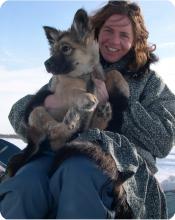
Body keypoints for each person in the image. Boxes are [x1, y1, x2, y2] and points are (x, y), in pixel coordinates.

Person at [0, 0, 175, 218]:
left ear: (135, 41)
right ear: (96, 33)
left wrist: (119, 104)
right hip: (60, 150)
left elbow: (165, 139)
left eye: (124, 35)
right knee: (25, 184)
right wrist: (43, 107)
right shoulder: (73, 66)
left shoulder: (150, 82)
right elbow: (18, 112)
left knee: (78, 173)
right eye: (108, 31)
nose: (114, 41)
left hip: (121, 163)